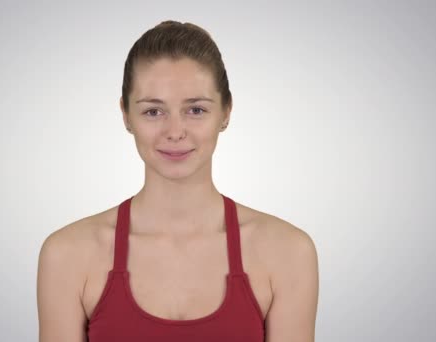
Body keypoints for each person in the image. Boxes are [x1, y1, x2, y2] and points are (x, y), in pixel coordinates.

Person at [37, 20, 319, 341]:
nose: (174, 131)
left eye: (196, 110)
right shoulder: (67, 256)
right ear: (126, 115)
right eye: (153, 112)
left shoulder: (287, 253)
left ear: (226, 111)